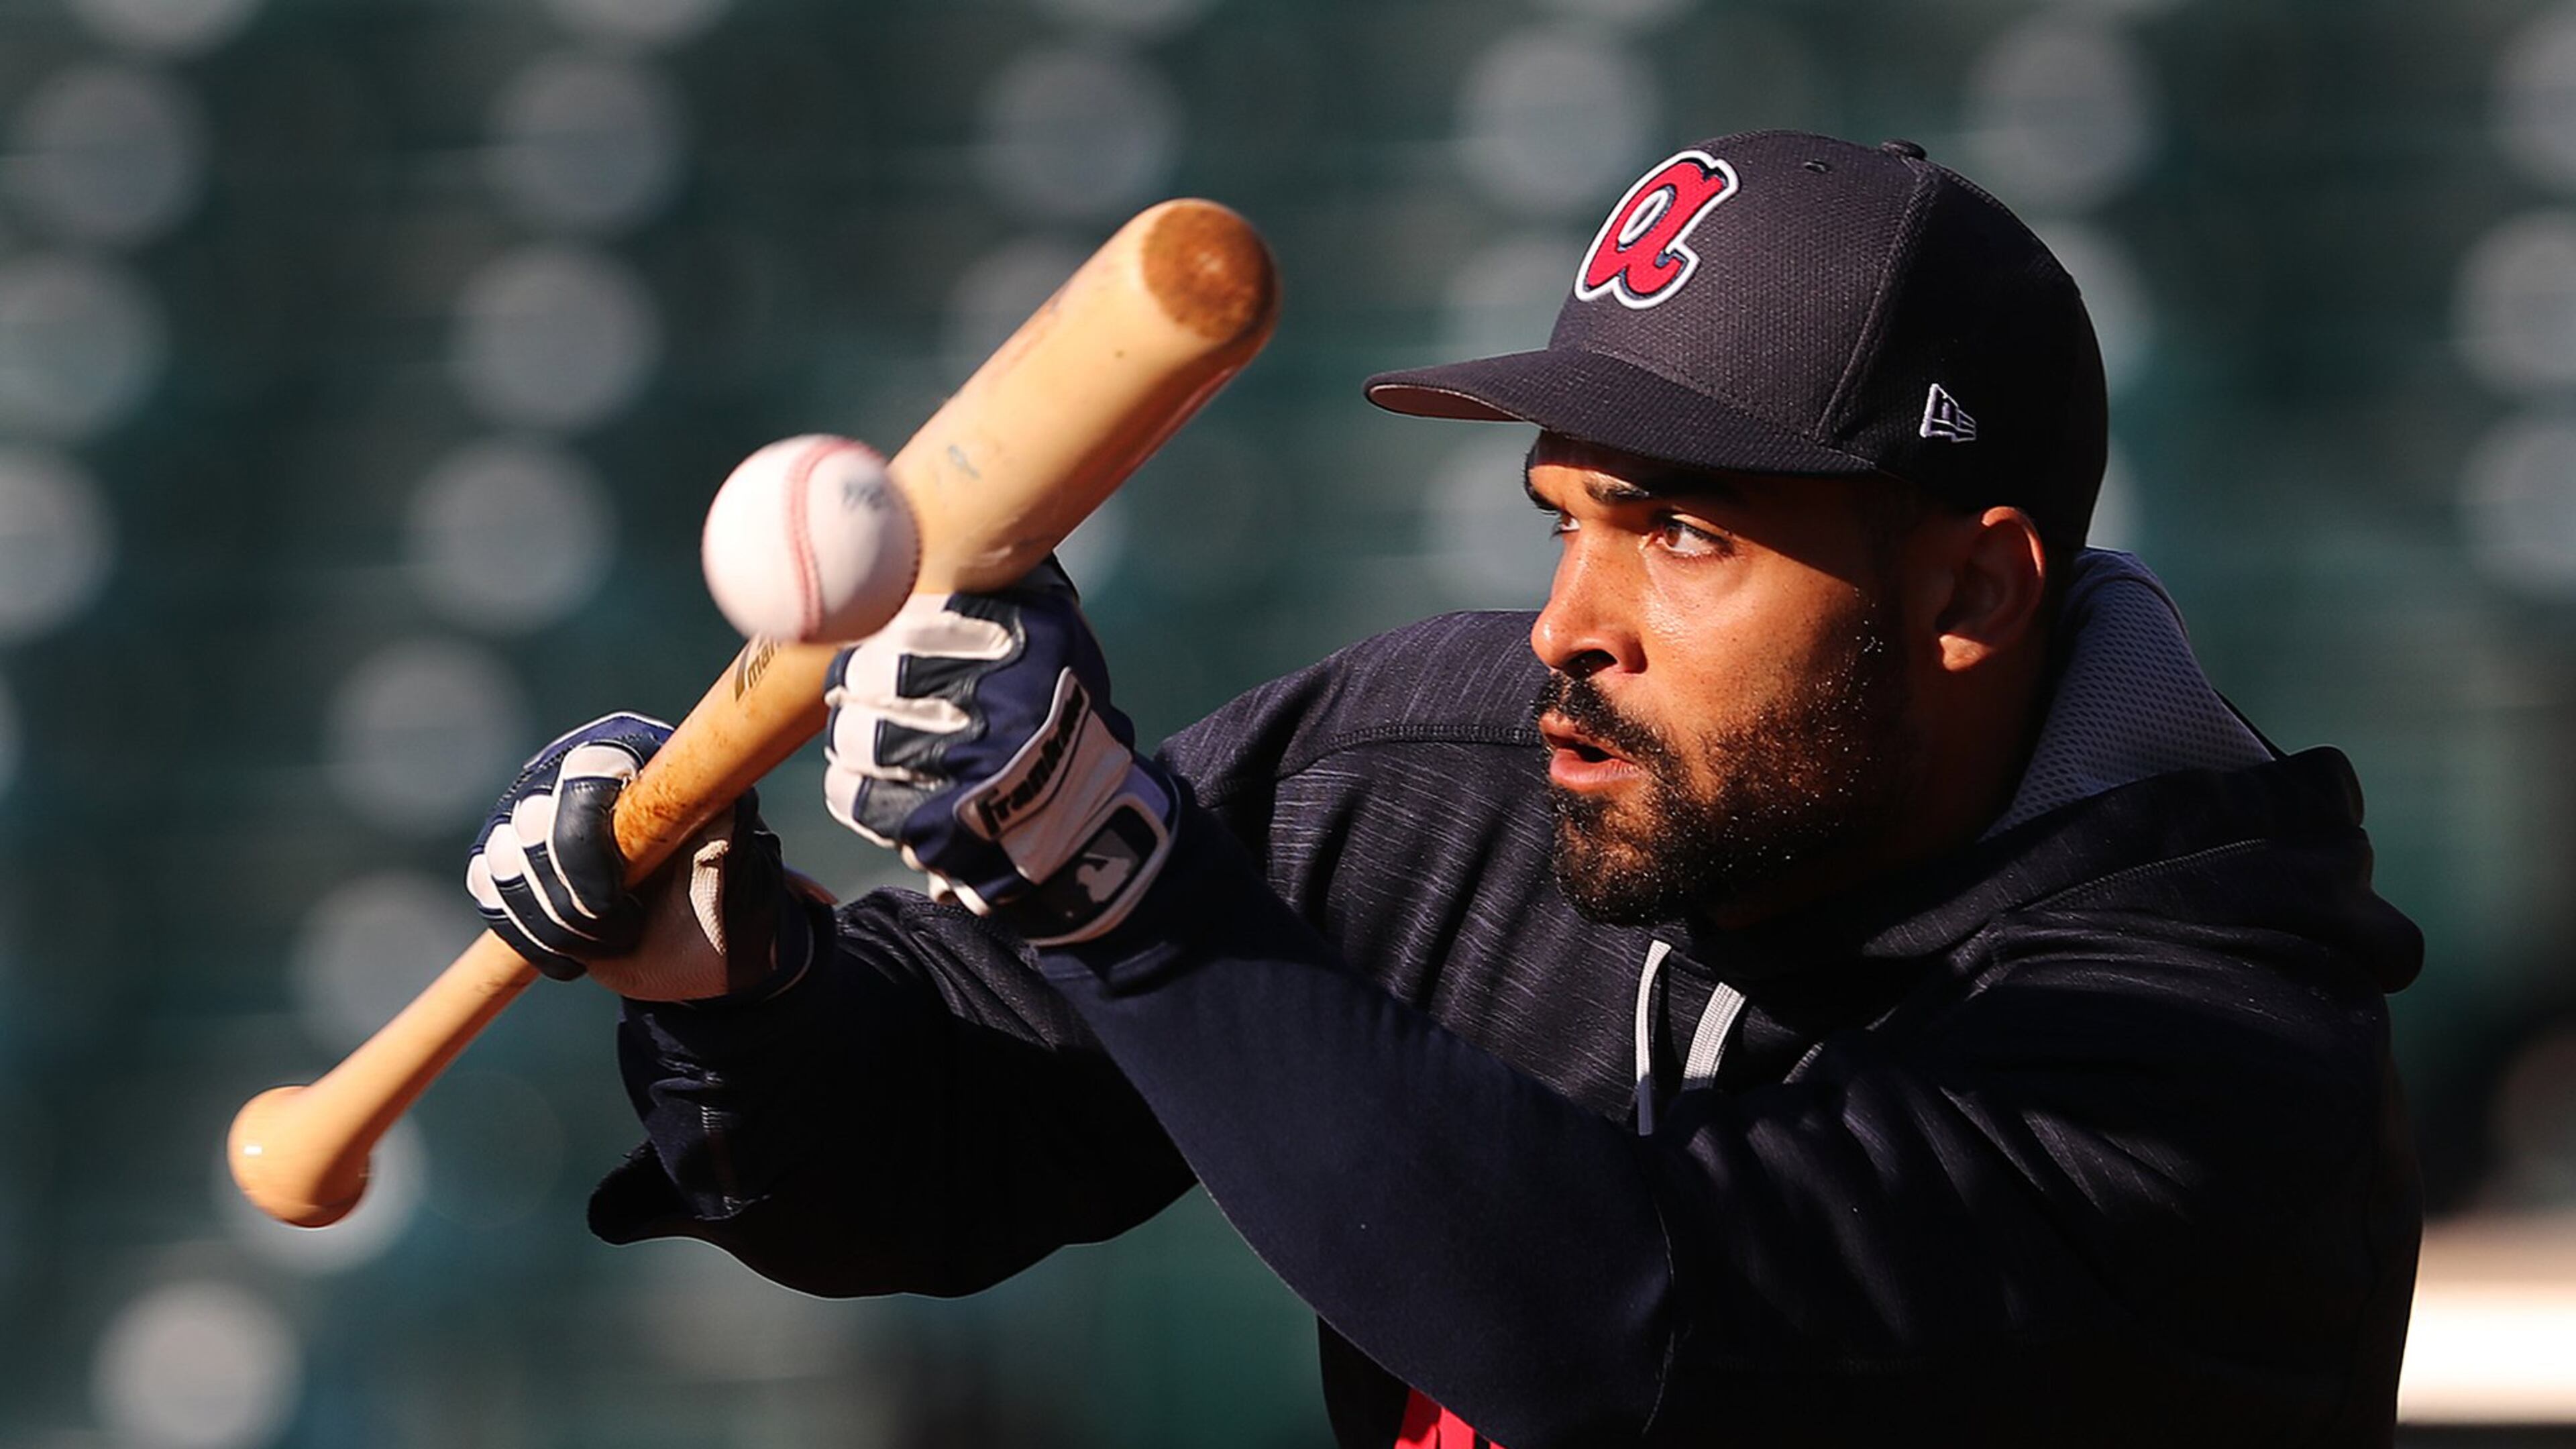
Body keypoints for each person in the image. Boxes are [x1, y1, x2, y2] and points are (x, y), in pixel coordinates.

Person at [466, 132, 2423, 1446]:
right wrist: (731, 986)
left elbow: (1621, 1327)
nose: (1570, 621)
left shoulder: (2216, 1054)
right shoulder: (1456, 764)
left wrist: (1110, 869)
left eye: (1680, 535)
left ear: (1971, 589)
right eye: (1565, 514)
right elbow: (950, 1131)